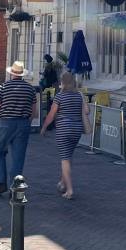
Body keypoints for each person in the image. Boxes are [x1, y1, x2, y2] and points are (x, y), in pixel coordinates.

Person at [0, 61, 38, 196]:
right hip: (23, 124)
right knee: (18, 157)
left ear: (11, 73)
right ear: (22, 74)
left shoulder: (3, 87)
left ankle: (1, 183)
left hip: (6, 123)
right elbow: (34, 113)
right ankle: (14, 185)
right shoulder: (30, 89)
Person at [40, 71, 88, 200]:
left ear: (63, 82)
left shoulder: (60, 97)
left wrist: (44, 127)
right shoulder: (79, 95)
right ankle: (62, 183)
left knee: (65, 159)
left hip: (63, 129)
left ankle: (70, 190)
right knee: (69, 156)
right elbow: (87, 111)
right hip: (77, 129)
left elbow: (51, 115)